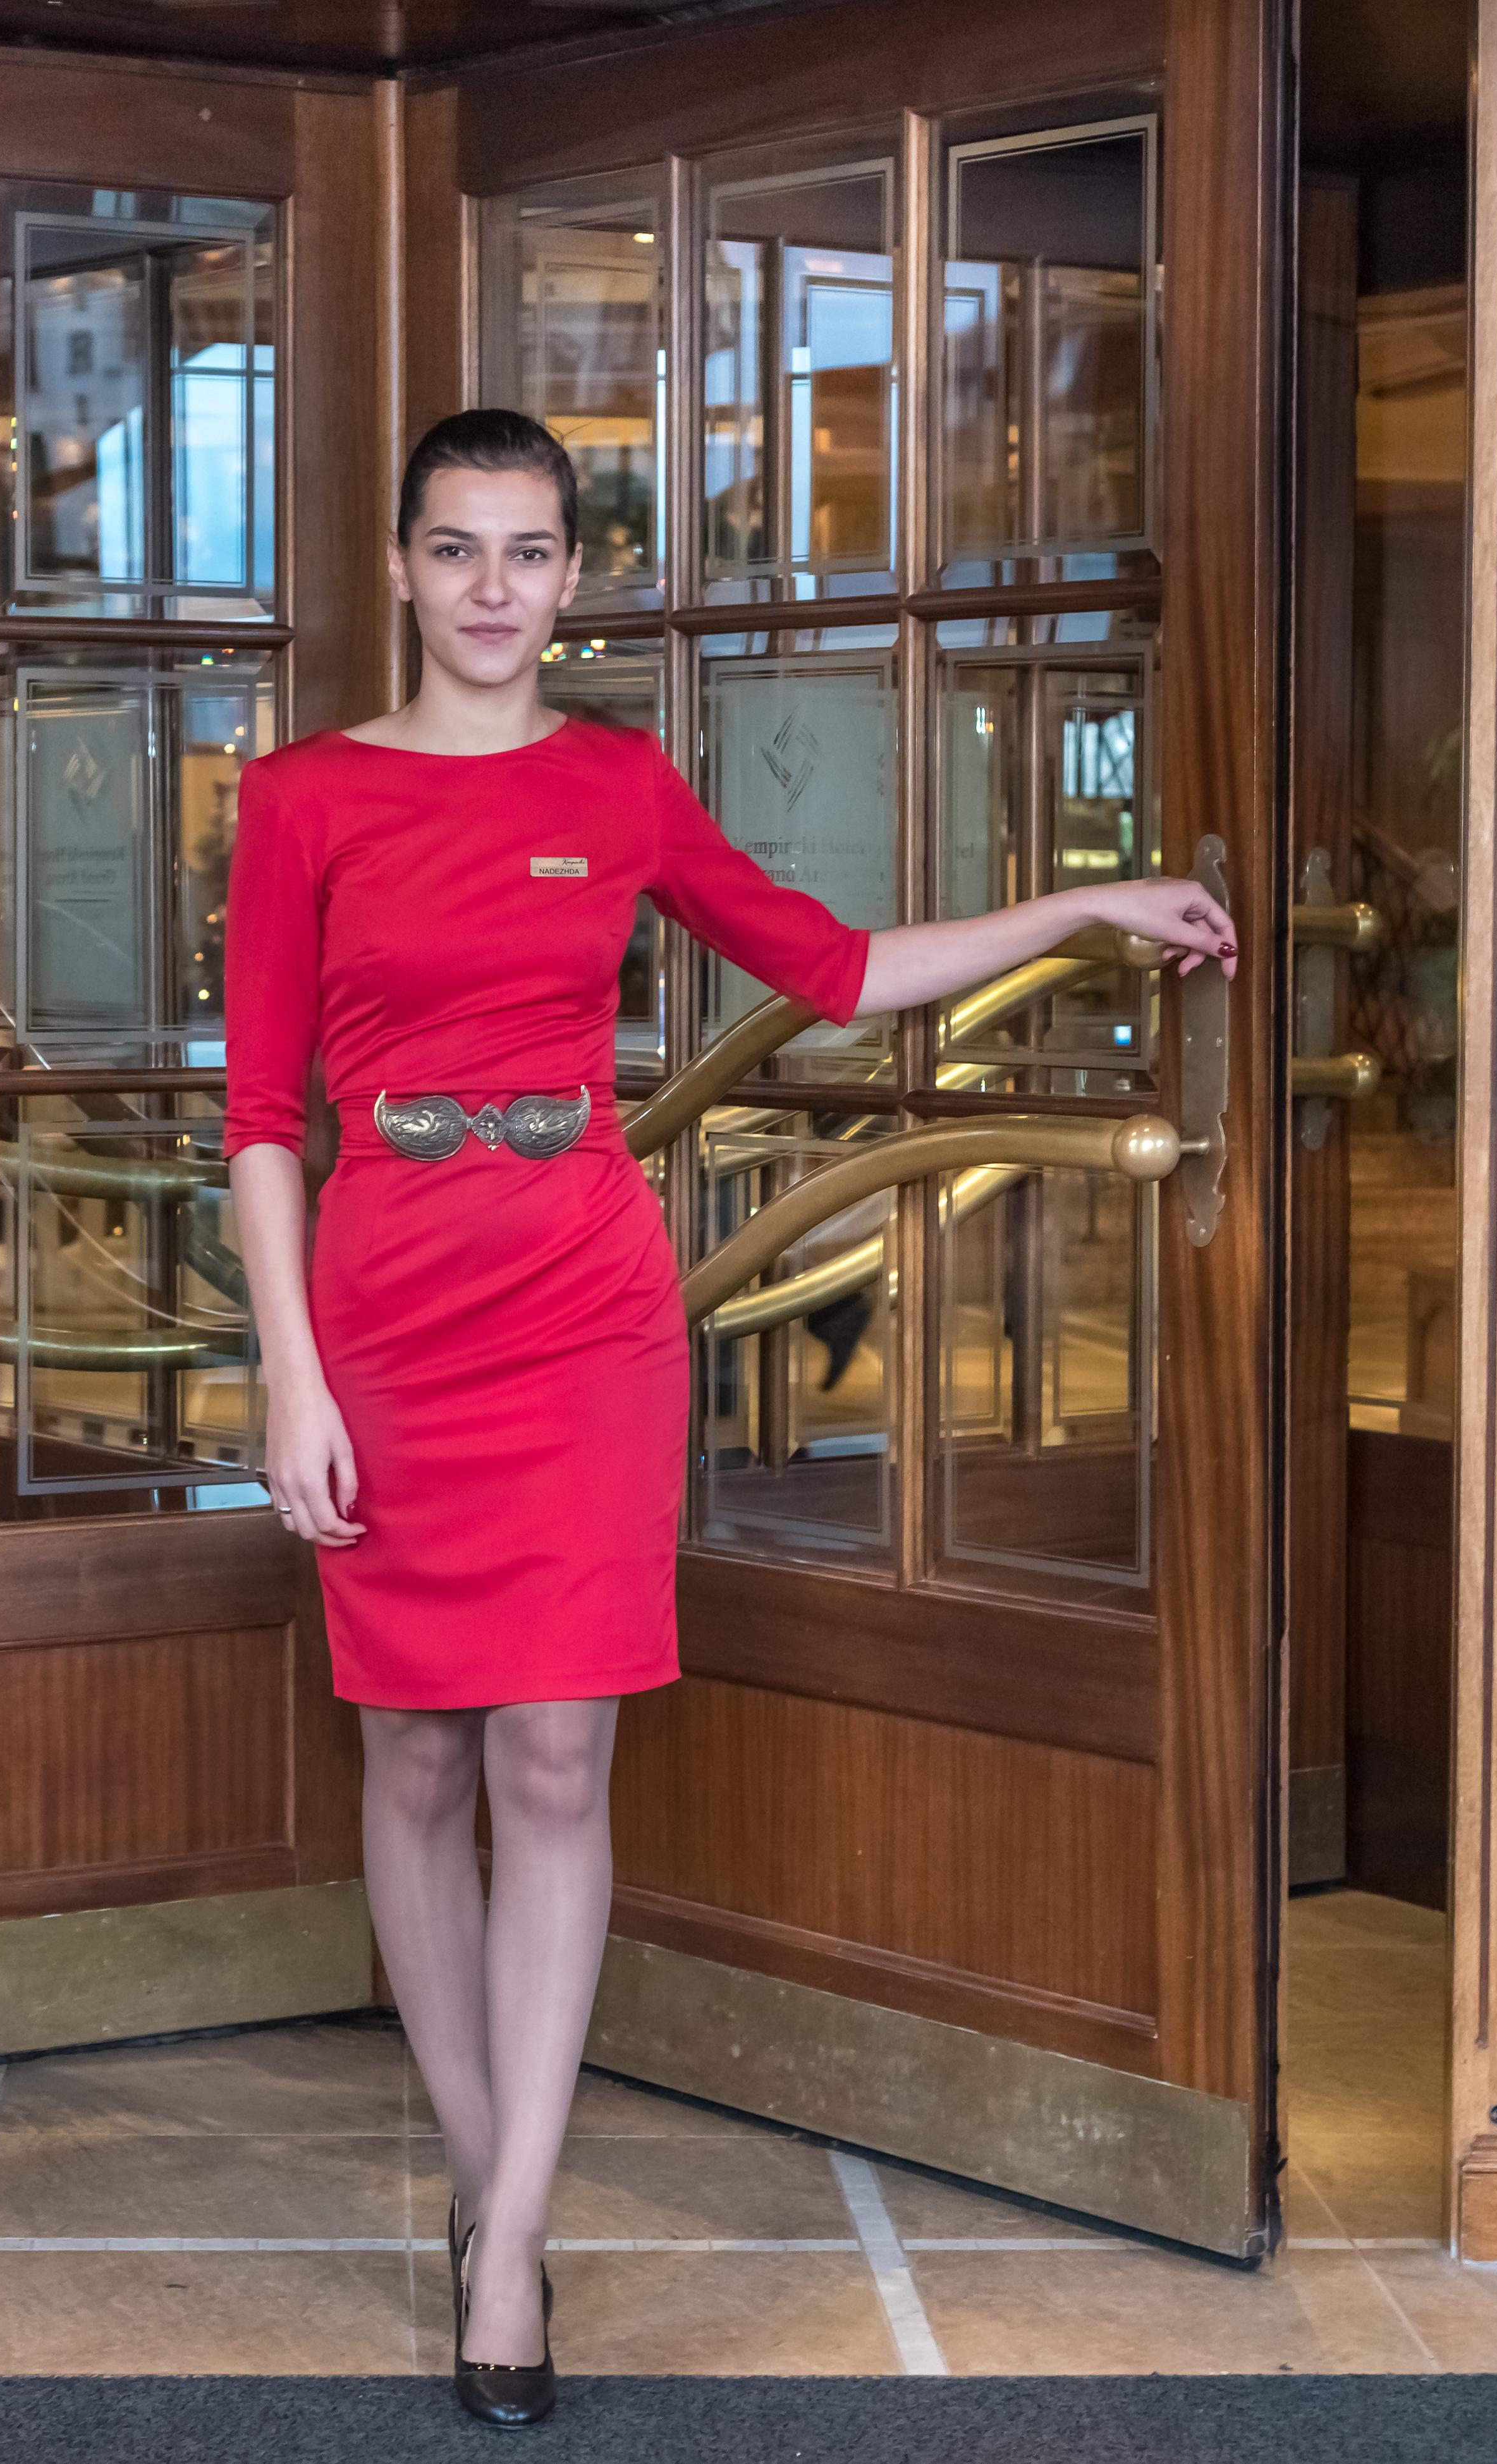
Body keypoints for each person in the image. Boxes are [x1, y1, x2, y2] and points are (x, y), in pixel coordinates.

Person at [222, 408, 1235, 2428]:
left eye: (530, 552)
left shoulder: (618, 784)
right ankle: (485, 2159)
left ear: (572, 579)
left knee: (560, 1758)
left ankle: (508, 2234)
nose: (494, 586)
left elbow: (837, 967)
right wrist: (290, 1373)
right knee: (415, 1762)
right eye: (458, 550)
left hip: (584, 1302)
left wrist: (1080, 910)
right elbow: (258, 1119)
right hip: (386, 1305)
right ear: (405, 570)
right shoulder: (303, 798)